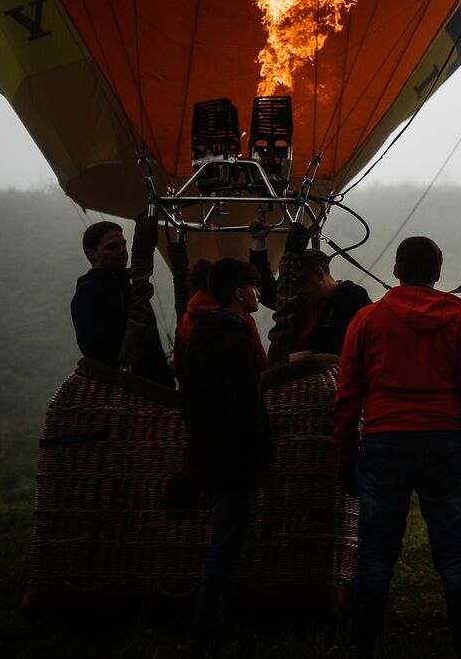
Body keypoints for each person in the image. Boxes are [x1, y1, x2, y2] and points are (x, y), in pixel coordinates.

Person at [334, 236, 461, 658]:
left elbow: (348, 391)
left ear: (395, 271)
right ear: (438, 274)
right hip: (444, 442)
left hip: (383, 440)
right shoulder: (459, 321)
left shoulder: (367, 319)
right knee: (454, 552)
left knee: (374, 553)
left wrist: (345, 453)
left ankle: (362, 644)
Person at [181, 258, 271, 641]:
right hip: (236, 459)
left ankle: (220, 619)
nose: (258, 294)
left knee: (226, 541)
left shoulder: (200, 334)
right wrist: (261, 451)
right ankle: (208, 628)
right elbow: (245, 407)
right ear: (239, 293)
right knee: (226, 546)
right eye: (253, 288)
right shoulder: (236, 341)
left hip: (208, 452)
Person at [70, 220, 175, 387]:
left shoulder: (132, 289)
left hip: (156, 388)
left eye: (123, 245)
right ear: (92, 254)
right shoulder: (89, 293)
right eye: (112, 247)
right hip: (131, 391)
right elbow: (96, 348)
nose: (122, 250)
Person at [250, 219, 371, 360]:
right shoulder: (300, 301)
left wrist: (307, 356)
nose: (297, 291)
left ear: (319, 274)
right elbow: (266, 289)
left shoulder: (352, 297)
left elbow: (354, 343)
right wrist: (259, 241)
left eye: (300, 284)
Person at [174, 258, 266, 383]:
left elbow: (180, 368)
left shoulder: (185, 322)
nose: (258, 294)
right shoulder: (241, 320)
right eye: (254, 287)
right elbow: (261, 365)